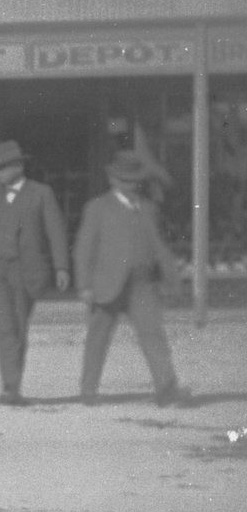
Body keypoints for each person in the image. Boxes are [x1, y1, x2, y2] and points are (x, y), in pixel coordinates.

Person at [75, 150, 186, 407]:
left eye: (135, 180)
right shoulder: (97, 208)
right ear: (112, 180)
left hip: (141, 283)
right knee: (97, 338)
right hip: (105, 284)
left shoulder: (148, 208)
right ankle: (88, 390)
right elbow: (84, 248)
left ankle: (166, 388)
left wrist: (172, 279)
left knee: (152, 334)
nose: (130, 185)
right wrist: (84, 284)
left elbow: (159, 247)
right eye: (124, 180)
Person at [0, 139, 70, 405]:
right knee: (5, 329)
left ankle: (12, 387)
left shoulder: (41, 193)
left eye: (3, 167)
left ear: (18, 166)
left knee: (18, 329)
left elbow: (55, 232)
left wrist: (61, 266)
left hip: (27, 271)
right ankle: (9, 389)